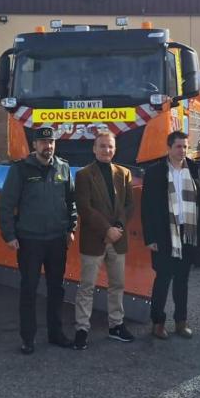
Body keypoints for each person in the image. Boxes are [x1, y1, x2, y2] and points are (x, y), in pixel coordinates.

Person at [0, 126, 77, 355]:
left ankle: (56, 333)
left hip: (56, 240)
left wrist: (71, 228)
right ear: (34, 146)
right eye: (43, 143)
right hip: (30, 241)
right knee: (29, 289)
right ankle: (28, 338)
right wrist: (9, 235)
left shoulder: (63, 167)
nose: (48, 146)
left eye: (51, 142)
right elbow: (6, 205)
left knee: (56, 290)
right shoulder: (21, 169)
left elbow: (71, 201)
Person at [72, 131, 136, 350]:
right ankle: (82, 328)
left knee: (117, 285)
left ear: (114, 149)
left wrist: (117, 228)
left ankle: (116, 325)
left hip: (118, 239)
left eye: (110, 146)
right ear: (94, 148)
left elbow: (129, 205)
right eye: (102, 146)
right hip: (94, 239)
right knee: (87, 286)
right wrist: (106, 229)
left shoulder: (124, 173)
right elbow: (84, 208)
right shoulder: (83, 175)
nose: (106, 150)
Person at [141, 130, 200, 340]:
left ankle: (181, 321)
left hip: (187, 233)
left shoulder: (194, 169)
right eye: (178, 146)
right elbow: (147, 207)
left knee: (182, 280)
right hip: (164, 233)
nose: (182, 150)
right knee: (163, 280)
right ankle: (158, 323)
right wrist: (150, 237)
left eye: (185, 147)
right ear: (168, 148)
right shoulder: (155, 172)